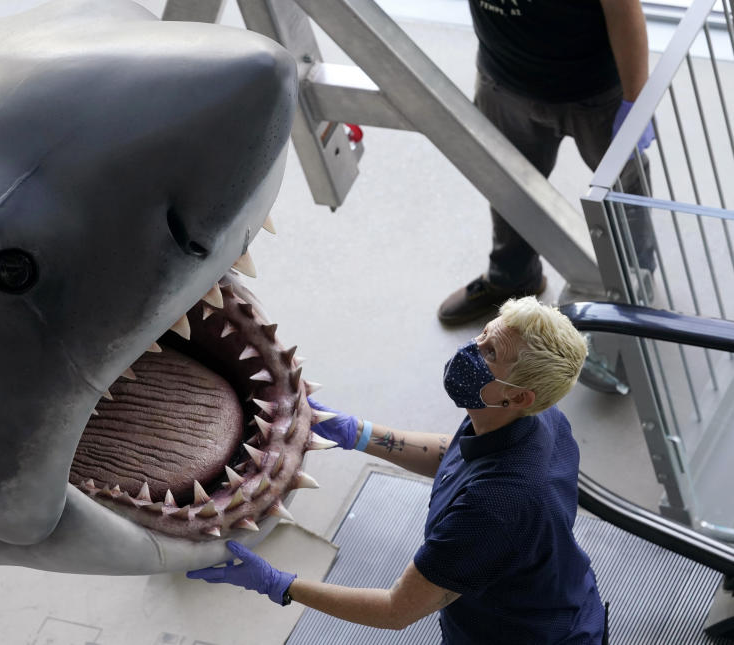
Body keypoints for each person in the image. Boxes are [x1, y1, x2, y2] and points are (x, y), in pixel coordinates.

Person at [187, 297, 608, 643]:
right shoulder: (534, 419)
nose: (471, 349)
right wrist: (359, 433)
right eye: (485, 333)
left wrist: (280, 585)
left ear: (519, 396)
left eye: (490, 353)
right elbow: (460, 453)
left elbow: (395, 611)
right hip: (557, 593)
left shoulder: (491, 509)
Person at [438, 0, 656, 326]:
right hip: (504, 79)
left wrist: (634, 102)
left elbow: (623, 8)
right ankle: (513, 275)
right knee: (508, 186)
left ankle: (634, 289)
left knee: (623, 190)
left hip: (595, 90)